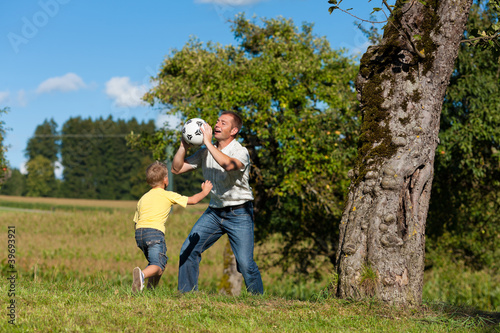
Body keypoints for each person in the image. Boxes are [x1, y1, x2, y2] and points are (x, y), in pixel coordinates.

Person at [172, 111, 264, 294]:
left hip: (240, 213)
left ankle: (258, 299)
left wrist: (207, 142)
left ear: (234, 130)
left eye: (223, 123)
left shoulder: (240, 151)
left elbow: (228, 165)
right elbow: (176, 168)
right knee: (188, 250)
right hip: (214, 212)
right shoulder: (204, 152)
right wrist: (183, 146)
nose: (217, 125)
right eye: (217, 121)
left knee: (245, 263)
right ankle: (187, 295)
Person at [132, 161, 212, 293]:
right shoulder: (167, 195)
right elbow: (193, 200)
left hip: (139, 234)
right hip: (154, 233)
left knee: (156, 264)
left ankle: (150, 291)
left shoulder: (143, 198)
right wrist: (205, 192)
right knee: (158, 264)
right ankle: (141, 275)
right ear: (165, 180)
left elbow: (136, 221)